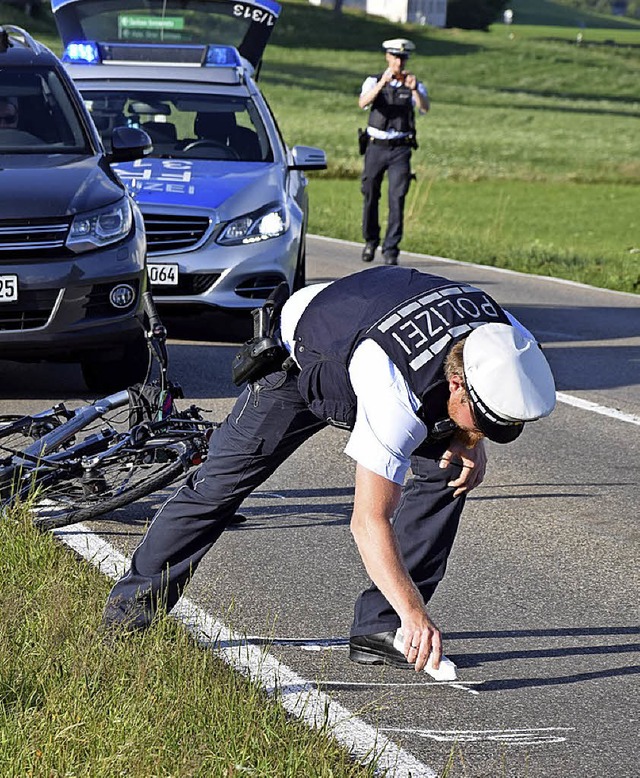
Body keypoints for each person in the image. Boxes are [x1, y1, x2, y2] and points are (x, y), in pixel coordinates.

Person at [103, 266, 556, 674]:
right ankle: (129, 614)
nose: (486, 431)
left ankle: (383, 629)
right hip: (308, 354)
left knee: (448, 472)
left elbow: (484, 403)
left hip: (379, 337)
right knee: (218, 485)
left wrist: (468, 438)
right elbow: (367, 521)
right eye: (482, 420)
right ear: (457, 384)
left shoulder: (504, 338)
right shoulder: (393, 393)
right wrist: (416, 609)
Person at [359, 39, 429, 267]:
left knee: (397, 198)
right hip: (375, 146)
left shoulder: (413, 84)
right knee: (370, 193)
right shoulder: (373, 80)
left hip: (400, 148)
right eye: (395, 57)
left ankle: (391, 249)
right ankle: (370, 240)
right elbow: (363, 102)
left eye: (403, 58)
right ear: (387, 57)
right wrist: (382, 83)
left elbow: (424, 108)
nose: (399, 62)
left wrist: (415, 90)